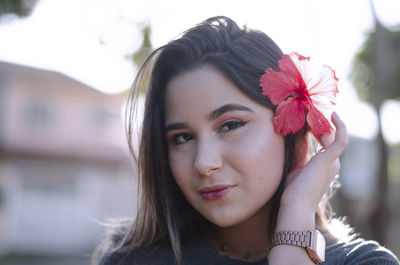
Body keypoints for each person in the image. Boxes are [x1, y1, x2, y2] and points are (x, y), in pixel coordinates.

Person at [92, 16, 399, 265]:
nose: (204, 163)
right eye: (182, 138)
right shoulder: (130, 259)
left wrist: (295, 222)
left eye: (231, 125)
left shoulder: (364, 263)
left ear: (293, 134)